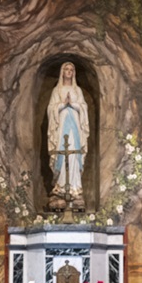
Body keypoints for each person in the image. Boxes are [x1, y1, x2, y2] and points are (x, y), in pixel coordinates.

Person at [47, 61, 90, 205]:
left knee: (74, 155)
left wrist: (74, 105)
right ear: (62, 72)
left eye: (71, 69)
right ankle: (60, 188)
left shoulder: (77, 91)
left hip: (75, 130)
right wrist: (62, 105)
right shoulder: (57, 91)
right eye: (66, 69)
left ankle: (75, 188)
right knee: (61, 154)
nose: (69, 72)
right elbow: (50, 109)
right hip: (61, 130)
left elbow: (84, 108)